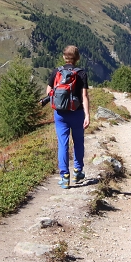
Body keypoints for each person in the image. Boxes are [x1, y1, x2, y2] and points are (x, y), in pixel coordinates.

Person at [46, 45, 90, 188]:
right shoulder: (81, 73)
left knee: (63, 145)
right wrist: (87, 115)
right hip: (77, 113)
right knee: (78, 142)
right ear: (77, 58)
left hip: (60, 114)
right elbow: (84, 96)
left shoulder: (56, 72)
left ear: (64, 57)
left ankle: (65, 177)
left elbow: (49, 92)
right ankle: (78, 171)